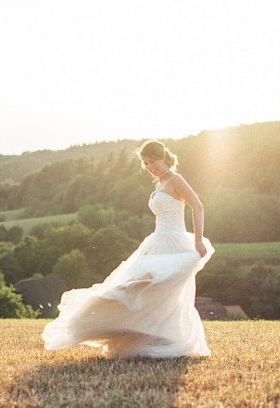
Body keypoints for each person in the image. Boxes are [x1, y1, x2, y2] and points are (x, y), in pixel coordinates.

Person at [42, 140, 213, 358]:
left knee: (160, 289)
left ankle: (167, 338)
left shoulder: (175, 179)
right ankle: (133, 332)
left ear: (163, 157)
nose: (151, 167)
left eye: (153, 162)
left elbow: (197, 206)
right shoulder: (159, 183)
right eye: (146, 163)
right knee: (134, 287)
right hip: (157, 241)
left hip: (174, 242)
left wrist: (198, 241)